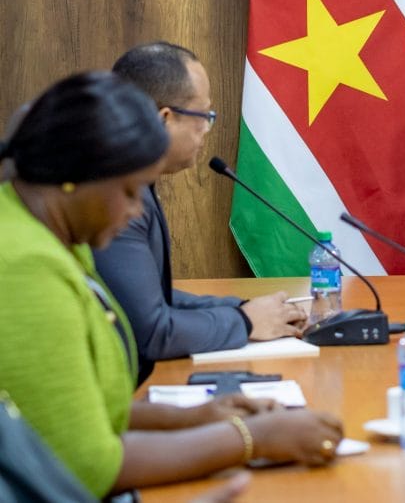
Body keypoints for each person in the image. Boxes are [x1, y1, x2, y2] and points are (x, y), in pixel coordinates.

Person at [0, 71, 342, 498]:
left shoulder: (58, 235)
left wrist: (198, 416)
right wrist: (251, 438)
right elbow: (88, 466)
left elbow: (65, 414)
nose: (133, 211)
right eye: (128, 191)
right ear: (75, 177)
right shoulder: (24, 265)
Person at [95, 42, 305, 385]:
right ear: (164, 119)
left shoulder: (130, 176)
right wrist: (246, 322)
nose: (208, 130)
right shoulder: (113, 194)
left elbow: (149, 299)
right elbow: (152, 332)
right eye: (204, 116)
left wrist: (242, 309)